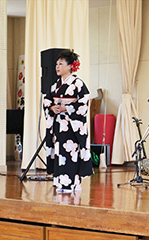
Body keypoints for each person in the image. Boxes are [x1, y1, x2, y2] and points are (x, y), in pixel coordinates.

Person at [43, 49, 94, 193]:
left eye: (61, 64)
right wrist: (52, 108)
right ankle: (60, 182)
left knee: (71, 153)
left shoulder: (78, 83)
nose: (57, 67)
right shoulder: (55, 84)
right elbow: (47, 101)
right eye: (56, 64)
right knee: (59, 152)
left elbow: (83, 103)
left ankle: (73, 183)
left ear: (71, 66)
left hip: (72, 125)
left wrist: (67, 108)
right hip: (58, 124)